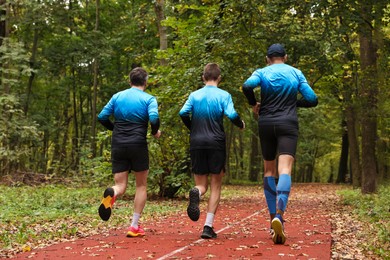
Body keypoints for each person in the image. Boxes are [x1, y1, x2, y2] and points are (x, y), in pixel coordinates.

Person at [242, 43, 318, 244]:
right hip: (288, 124)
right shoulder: (295, 73)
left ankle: (272, 221)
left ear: (268, 58)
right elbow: (312, 99)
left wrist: (253, 104)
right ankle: (280, 214)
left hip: (266, 123)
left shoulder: (262, 72)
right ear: (284, 56)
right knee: (285, 169)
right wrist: (294, 102)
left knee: (269, 171)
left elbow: (247, 86)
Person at [179, 63, 245, 239]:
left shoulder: (195, 95)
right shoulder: (224, 95)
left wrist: (192, 128)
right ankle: (207, 227)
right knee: (216, 185)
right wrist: (241, 124)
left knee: (202, 185)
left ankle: (197, 193)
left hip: (197, 142)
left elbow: (182, 113)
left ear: (203, 77)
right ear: (219, 78)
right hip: (216, 142)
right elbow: (231, 115)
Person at [97, 67, 161, 237]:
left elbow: (102, 117)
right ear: (146, 82)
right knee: (141, 185)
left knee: (120, 186)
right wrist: (155, 132)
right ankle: (134, 226)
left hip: (118, 143)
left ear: (129, 81)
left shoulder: (117, 97)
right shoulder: (149, 99)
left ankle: (112, 192)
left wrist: (115, 129)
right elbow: (154, 118)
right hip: (138, 144)